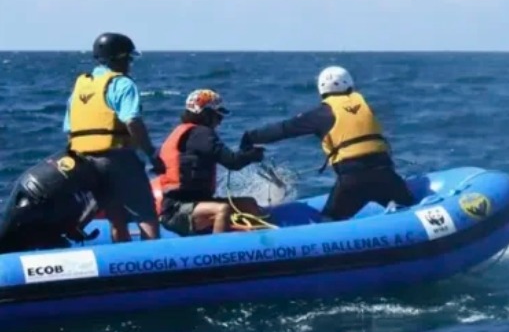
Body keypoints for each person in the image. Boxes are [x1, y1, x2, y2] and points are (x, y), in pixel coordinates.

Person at [239, 66, 415, 220]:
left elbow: (285, 129)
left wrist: (251, 137)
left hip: (352, 180)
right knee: (410, 208)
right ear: (350, 85)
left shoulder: (321, 114)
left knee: (329, 219)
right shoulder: (367, 105)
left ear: (321, 90)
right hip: (387, 175)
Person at [63, 32, 163, 243]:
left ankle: (123, 264)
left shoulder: (79, 88)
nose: (130, 63)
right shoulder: (122, 84)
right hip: (117, 158)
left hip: (86, 161)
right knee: (146, 215)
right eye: (128, 58)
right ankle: (152, 265)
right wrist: (151, 154)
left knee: (116, 217)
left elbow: (69, 130)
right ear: (119, 58)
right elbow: (132, 120)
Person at [154, 89, 268, 236]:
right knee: (222, 210)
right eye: (218, 115)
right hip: (177, 209)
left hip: (198, 203)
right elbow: (232, 162)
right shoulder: (200, 134)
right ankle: (221, 253)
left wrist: (246, 154)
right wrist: (253, 155)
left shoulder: (190, 133)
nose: (220, 120)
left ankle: (263, 245)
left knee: (249, 204)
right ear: (205, 114)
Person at [0, 153, 101, 253]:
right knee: (57, 244)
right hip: (52, 196)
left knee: (8, 240)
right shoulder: (112, 166)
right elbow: (98, 202)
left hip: (31, 180)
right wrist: (77, 227)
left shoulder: (86, 145)